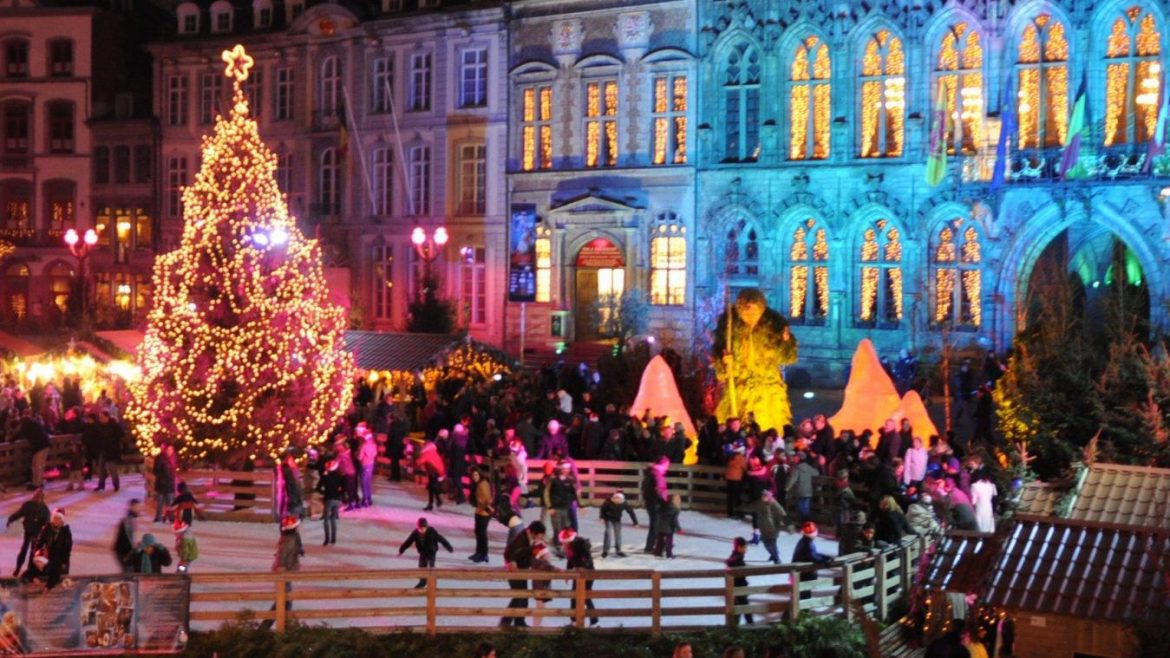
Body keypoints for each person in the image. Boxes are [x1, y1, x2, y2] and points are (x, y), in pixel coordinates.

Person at [500, 520, 546, 628]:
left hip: (522, 570)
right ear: (533, 532)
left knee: (523, 596)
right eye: (539, 535)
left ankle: (519, 621)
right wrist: (512, 561)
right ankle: (506, 621)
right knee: (519, 596)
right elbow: (508, 552)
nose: (539, 538)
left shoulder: (530, 538)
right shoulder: (521, 538)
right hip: (515, 571)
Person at [397, 517, 453, 589]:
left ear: (426, 527)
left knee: (431, 568)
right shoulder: (415, 533)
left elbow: (441, 539)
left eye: (423, 528)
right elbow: (408, 541)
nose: (421, 530)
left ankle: (432, 583)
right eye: (420, 528)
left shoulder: (432, 532)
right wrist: (401, 550)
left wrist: (449, 547)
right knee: (421, 567)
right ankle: (423, 581)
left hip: (431, 552)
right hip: (423, 552)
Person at [6, 488, 49, 577]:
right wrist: (11, 519)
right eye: (36, 497)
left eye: (39, 497)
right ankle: (18, 568)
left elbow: (46, 524)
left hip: (37, 534)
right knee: (24, 551)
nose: (37, 499)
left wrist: (40, 534)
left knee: (33, 553)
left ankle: (30, 570)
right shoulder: (28, 505)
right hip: (28, 531)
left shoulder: (45, 510)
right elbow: (19, 513)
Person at [30, 508, 71, 589]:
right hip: (49, 556)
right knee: (46, 574)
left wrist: (64, 563)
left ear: (62, 520)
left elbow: (67, 549)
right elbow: (39, 543)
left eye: (58, 518)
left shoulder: (66, 532)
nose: (56, 520)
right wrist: (35, 555)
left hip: (60, 558)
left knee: (58, 578)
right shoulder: (47, 528)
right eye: (55, 518)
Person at [564, 533, 598, 626]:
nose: (563, 545)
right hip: (578, 575)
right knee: (574, 596)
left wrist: (583, 566)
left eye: (564, 543)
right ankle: (573, 620)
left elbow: (587, 558)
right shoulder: (569, 548)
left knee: (585, 596)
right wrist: (568, 572)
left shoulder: (580, 544)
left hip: (588, 573)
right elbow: (570, 560)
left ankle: (594, 620)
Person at [744, 489, 787, 564]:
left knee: (770, 543)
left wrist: (788, 524)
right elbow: (751, 507)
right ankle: (773, 555)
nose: (763, 497)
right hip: (764, 528)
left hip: (773, 528)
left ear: (769, 496)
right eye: (763, 495)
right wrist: (740, 507)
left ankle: (776, 558)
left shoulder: (773, 503)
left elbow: (782, 512)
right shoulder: (760, 503)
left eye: (765, 496)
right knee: (768, 544)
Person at [528, 543, 560, 627]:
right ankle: (536, 625)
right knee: (540, 608)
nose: (549, 556)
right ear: (543, 555)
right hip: (542, 587)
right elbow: (550, 567)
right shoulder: (543, 563)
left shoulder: (536, 562)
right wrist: (558, 569)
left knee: (539, 606)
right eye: (547, 554)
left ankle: (537, 624)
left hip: (538, 586)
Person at [599, 490, 638, 558]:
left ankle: (618, 550)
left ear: (621, 500)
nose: (617, 500)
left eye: (619, 499)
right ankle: (605, 551)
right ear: (613, 498)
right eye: (615, 499)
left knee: (618, 535)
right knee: (608, 533)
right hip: (608, 519)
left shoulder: (624, 503)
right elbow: (602, 509)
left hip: (617, 520)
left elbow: (631, 512)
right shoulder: (608, 502)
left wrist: (635, 522)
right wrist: (602, 517)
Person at [791, 522, 832, 586]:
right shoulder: (807, 543)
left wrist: (825, 557)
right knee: (804, 593)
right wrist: (825, 561)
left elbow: (813, 554)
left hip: (801, 573)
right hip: (804, 574)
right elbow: (813, 557)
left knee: (803, 592)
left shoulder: (804, 541)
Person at [316, 459, 345, 546]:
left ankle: (327, 539)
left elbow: (318, 488)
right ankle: (333, 538)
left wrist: (325, 493)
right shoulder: (340, 476)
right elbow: (344, 488)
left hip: (328, 499)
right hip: (337, 499)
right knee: (333, 519)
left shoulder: (325, 477)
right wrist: (339, 493)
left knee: (326, 520)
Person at [725, 537, 753, 626]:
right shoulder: (737, 558)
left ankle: (738, 626)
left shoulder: (737, 557)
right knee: (744, 608)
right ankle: (750, 625)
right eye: (744, 547)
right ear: (739, 548)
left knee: (741, 609)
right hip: (739, 587)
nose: (746, 550)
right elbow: (734, 566)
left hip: (739, 587)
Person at [786, 451, 818, 522]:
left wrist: (787, 487)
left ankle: (803, 522)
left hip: (800, 491)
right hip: (808, 491)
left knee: (800, 507)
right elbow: (816, 473)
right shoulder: (808, 467)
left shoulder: (797, 468)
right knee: (806, 507)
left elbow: (793, 479)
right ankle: (807, 521)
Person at [470, 468, 494, 563]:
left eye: (476, 475)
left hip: (484, 513)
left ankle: (484, 554)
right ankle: (478, 552)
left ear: (480, 474)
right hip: (479, 511)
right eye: (473, 475)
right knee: (478, 532)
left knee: (482, 534)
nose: (474, 477)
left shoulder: (482, 485)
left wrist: (489, 509)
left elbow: (487, 499)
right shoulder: (479, 484)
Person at [112, 498, 141, 574]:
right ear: (132, 507)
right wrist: (134, 550)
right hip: (123, 551)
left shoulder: (131, 519)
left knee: (128, 573)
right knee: (128, 574)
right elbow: (128, 537)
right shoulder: (128, 520)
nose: (139, 509)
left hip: (123, 550)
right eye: (137, 507)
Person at [152, 443, 177, 522]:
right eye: (169, 449)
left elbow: (172, 471)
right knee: (161, 502)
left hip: (169, 484)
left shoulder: (172, 458)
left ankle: (171, 518)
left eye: (172, 449)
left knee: (170, 502)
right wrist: (162, 477)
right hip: (162, 484)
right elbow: (155, 470)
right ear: (165, 450)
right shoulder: (160, 458)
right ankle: (158, 518)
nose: (170, 451)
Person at [654, 494, 681, 559]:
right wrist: (679, 529)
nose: (679, 500)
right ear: (673, 501)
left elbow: (657, 512)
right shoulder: (675, 509)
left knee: (660, 541)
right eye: (677, 499)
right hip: (669, 528)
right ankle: (669, 554)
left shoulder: (662, 507)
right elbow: (675, 520)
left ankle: (658, 552)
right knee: (669, 542)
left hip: (660, 527)